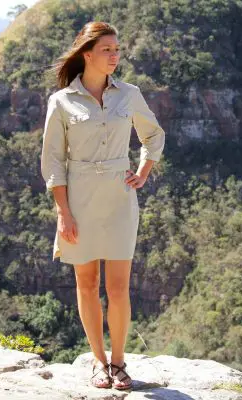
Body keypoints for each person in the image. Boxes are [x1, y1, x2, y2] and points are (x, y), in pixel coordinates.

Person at [40, 21, 165, 390]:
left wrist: (143, 172)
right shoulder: (61, 101)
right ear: (87, 54)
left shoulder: (129, 93)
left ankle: (120, 362)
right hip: (78, 198)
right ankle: (98, 363)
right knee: (86, 282)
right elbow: (52, 161)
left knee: (119, 286)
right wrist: (63, 212)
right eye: (108, 49)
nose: (115, 56)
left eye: (117, 49)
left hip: (119, 197)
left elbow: (153, 134)